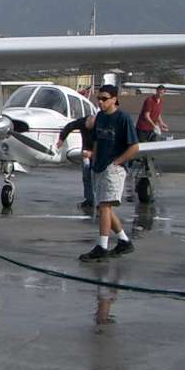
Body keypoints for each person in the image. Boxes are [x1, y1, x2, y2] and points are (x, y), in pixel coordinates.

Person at [80, 85, 139, 263]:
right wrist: (94, 158)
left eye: (104, 98)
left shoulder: (123, 118)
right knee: (103, 206)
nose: (100, 102)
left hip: (113, 168)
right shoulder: (100, 117)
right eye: (99, 98)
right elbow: (97, 141)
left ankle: (102, 247)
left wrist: (117, 162)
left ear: (114, 99)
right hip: (99, 166)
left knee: (105, 206)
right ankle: (123, 240)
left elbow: (134, 147)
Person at [59, 112, 96, 208]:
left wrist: (92, 153)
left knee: (96, 177)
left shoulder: (100, 125)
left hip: (97, 152)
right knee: (86, 176)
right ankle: (89, 199)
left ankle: (99, 200)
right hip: (85, 152)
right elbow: (69, 126)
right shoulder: (82, 122)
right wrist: (61, 139)